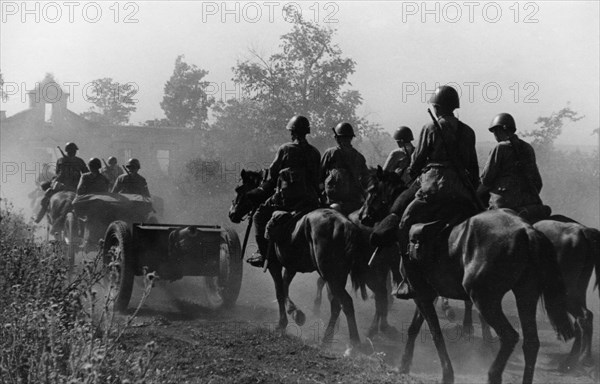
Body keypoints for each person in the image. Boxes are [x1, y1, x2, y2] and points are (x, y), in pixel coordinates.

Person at [395, 85, 480, 299]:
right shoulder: (468, 131)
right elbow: (474, 167)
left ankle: (409, 280)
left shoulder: (430, 128)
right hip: (462, 192)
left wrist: (413, 174)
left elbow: (417, 161)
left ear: (438, 107)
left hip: (434, 190)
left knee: (404, 224)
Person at [245, 115, 321, 267]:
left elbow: (273, 175)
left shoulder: (285, 149)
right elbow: (318, 178)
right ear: (306, 132)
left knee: (259, 215)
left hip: (287, 200)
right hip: (310, 200)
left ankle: (262, 252)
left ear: (293, 132)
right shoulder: (315, 152)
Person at [479, 113, 548, 221]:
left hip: (504, 204)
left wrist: (475, 195)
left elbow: (487, 180)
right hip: (530, 203)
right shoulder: (528, 147)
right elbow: (538, 182)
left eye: (495, 132)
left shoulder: (500, 148)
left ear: (499, 130)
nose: (495, 135)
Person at [320, 122, 370, 214]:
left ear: (337, 138)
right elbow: (365, 179)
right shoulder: (359, 157)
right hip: (355, 201)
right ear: (351, 138)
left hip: (333, 201)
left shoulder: (331, 153)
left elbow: (320, 175)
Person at [35, 142, 88, 223]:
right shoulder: (79, 161)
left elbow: (57, 173)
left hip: (61, 185)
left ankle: (38, 218)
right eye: (73, 151)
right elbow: (85, 173)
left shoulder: (61, 160)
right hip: (76, 186)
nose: (73, 152)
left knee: (47, 197)